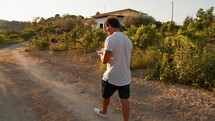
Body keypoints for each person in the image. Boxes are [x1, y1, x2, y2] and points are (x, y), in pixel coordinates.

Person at [94, 17, 133, 121]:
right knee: (125, 101)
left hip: (112, 77)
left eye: (106, 27)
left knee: (106, 96)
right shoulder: (128, 40)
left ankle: (103, 112)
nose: (106, 30)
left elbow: (105, 61)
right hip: (125, 77)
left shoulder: (110, 39)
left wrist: (101, 55)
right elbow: (119, 56)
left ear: (109, 26)